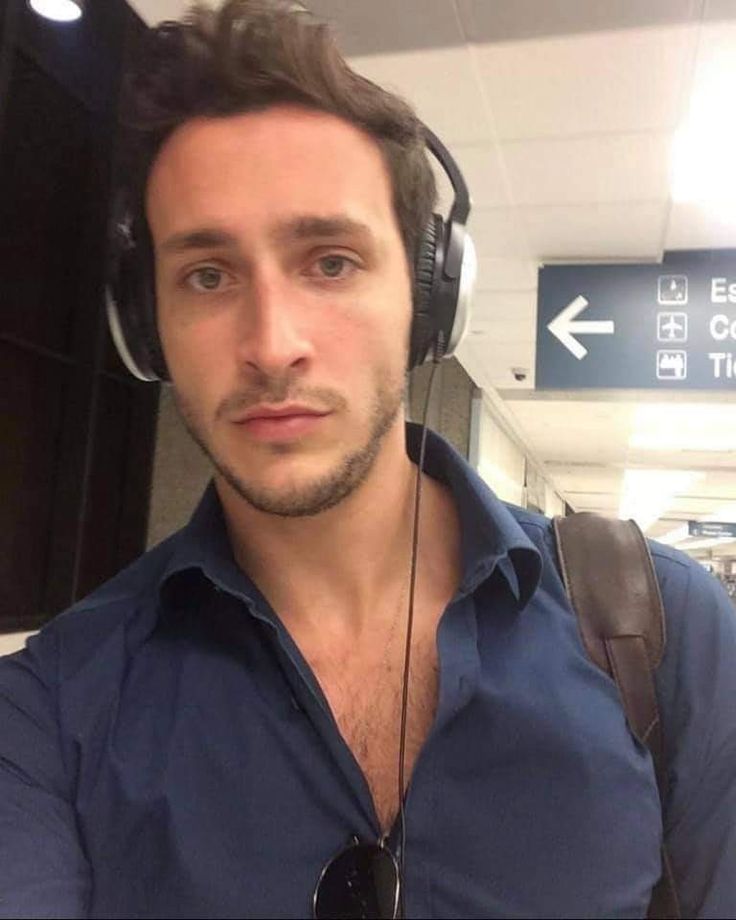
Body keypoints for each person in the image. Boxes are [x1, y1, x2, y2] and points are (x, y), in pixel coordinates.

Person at [1, 1, 734, 917]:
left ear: (429, 301)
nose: (272, 344)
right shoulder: (50, 712)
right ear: (147, 328)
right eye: (208, 275)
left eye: (331, 262)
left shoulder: (662, 634)